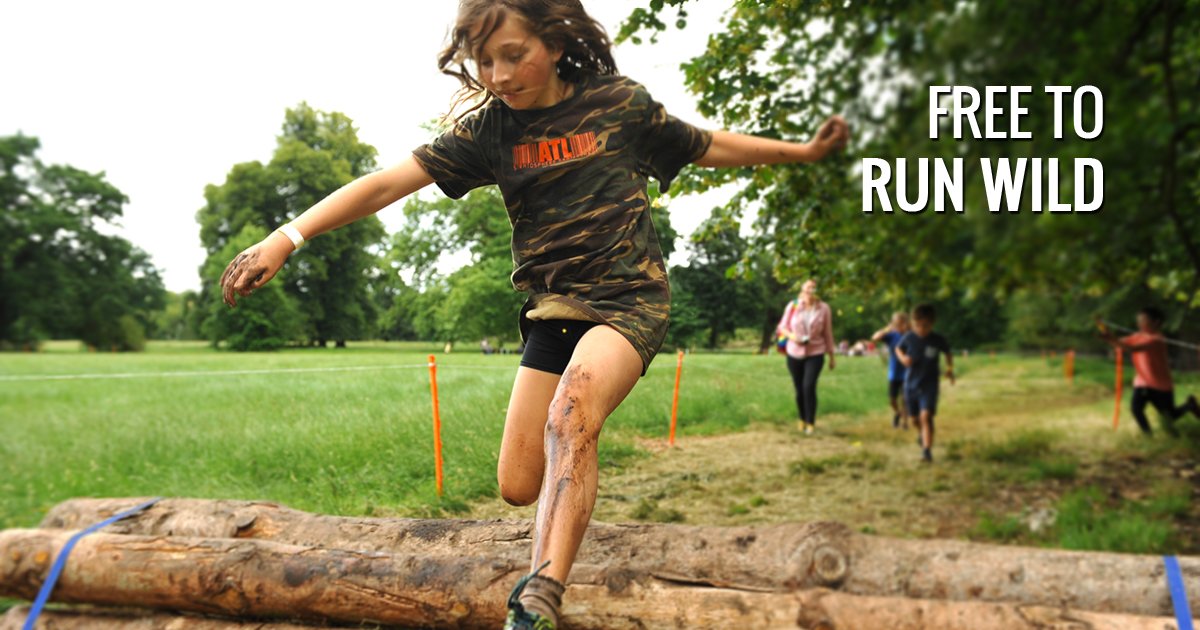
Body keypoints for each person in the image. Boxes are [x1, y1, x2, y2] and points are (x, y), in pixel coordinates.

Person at [216, 2, 850, 627]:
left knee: (571, 412)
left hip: (628, 303)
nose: (497, 74)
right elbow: (387, 182)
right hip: (553, 312)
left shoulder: (619, 106)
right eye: (483, 61)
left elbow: (708, 144)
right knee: (519, 483)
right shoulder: (491, 132)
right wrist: (286, 238)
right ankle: (571, 494)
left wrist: (802, 153)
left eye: (513, 55)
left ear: (552, 41)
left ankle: (540, 596)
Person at [1099, 307, 1200, 435]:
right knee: (1136, 409)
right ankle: (1148, 436)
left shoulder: (1156, 339)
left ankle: (1189, 406)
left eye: (1143, 320)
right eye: (1139, 320)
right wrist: (1109, 337)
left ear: (1156, 322)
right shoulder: (1138, 336)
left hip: (1160, 384)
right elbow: (1120, 344)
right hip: (1142, 382)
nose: (1139, 324)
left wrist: (1111, 339)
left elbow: (1132, 348)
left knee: (1170, 416)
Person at [895, 304, 954, 463]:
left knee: (925, 416)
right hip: (911, 384)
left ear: (932, 323)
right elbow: (898, 349)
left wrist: (949, 369)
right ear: (913, 323)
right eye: (917, 325)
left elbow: (948, 353)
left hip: (930, 384)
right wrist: (903, 359)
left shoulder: (937, 339)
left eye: (925, 326)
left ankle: (926, 451)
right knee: (915, 419)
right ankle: (922, 434)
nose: (921, 329)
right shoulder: (909, 337)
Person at [776, 279, 836, 435]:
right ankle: (802, 419)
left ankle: (811, 422)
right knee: (799, 388)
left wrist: (831, 356)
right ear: (803, 288)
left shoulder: (824, 309)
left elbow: (828, 333)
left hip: (816, 352)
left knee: (809, 386)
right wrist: (792, 336)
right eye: (808, 286)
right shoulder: (793, 306)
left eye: (814, 287)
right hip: (794, 352)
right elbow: (782, 326)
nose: (811, 290)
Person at [872, 311, 911, 429]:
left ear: (906, 323)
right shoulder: (891, 335)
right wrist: (888, 328)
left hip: (907, 372)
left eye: (901, 323)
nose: (899, 326)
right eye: (897, 324)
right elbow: (875, 337)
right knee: (892, 400)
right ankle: (898, 413)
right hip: (894, 372)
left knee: (905, 399)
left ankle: (905, 423)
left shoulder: (910, 335)